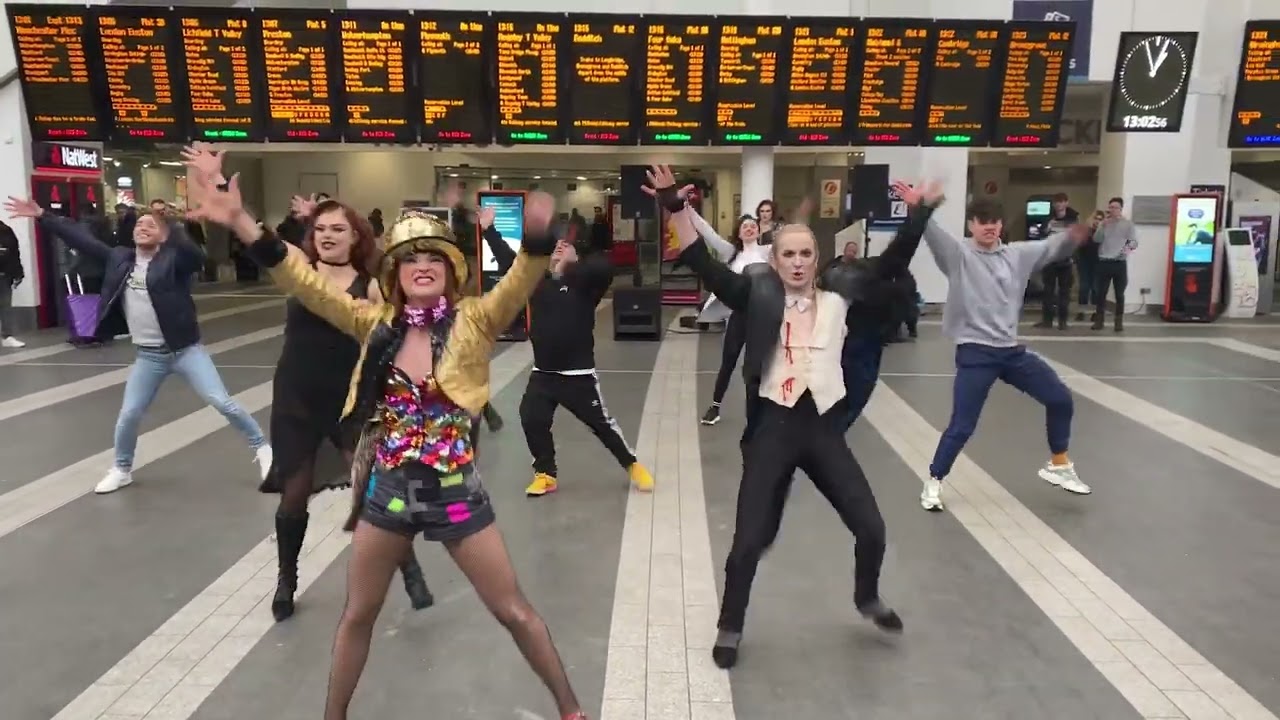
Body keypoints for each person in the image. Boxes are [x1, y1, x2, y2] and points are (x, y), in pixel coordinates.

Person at [183, 161, 587, 720]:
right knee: (357, 614)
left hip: (456, 494)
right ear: (394, 273)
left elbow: (522, 277)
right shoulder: (373, 323)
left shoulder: (476, 320)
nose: (422, 267)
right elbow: (299, 280)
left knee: (513, 610)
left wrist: (540, 236)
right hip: (388, 494)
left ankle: (571, 711)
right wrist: (243, 224)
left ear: (451, 270)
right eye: (411, 260)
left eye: (434, 259)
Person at [649, 164, 914, 669]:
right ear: (774, 259)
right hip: (773, 427)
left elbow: (892, 264)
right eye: (787, 254)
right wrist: (673, 205)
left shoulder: (840, 301)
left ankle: (867, 597)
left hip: (822, 428)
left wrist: (919, 214)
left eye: (805, 253)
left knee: (872, 528)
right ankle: (731, 624)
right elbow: (698, 259)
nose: (796, 262)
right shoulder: (757, 293)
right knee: (749, 540)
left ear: (817, 259)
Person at [4, 195, 272, 494]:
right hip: (149, 356)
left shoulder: (175, 261)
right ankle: (121, 468)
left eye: (152, 225)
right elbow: (82, 240)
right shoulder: (120, 258)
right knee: (129, 414)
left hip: (185, 351)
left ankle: (262, 449)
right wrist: (43, 215)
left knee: (222, 402)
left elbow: (194, 255)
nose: (143, 227)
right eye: (140, 224)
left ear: (163, 234)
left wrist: (176, 225)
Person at [918, 198, 1092, 513]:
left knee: (1060, 399)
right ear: (971, 224)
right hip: (975, 352)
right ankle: (934, 479)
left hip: (1010, 352)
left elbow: (1050, 247)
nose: (989, 226)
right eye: (982, 220)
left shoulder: (1017, 255)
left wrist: (1074, 235)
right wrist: (921, 208)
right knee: (962, 425)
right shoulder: (958, 256)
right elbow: (932, 233)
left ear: (1000, 225)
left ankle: (1059, 464)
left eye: (994, 220)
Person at [480, 207, 653, 496]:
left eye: (567, 245)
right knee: (531, 416)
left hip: (578, 376)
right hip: (543, 374)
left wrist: (570, 265)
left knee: (602, 425)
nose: (561, 247)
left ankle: (632, 465)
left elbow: (604, 268)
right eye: (557, 247)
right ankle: (546, 474)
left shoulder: (585, 284)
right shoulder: (537, 284)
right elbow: (510, 263)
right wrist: (488, 230)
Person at [694, 213, 770, 426]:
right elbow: (707, 231)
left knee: (759, 365)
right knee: (728, 361)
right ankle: (715, 406)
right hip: (739, 315)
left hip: (761, 317)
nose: (749, 228)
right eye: (744, 226)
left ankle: (761, 411)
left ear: (758, 230)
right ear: (738, 232)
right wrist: (685, 208)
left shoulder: (768, 252)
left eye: (752, 225)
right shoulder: (731, 253)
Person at [1093, 197, 1138, 332]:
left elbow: (1133, 242)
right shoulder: (1104, 224)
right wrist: (1101, 226)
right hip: (1104, 262)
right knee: (1101, 293)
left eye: (1115, 207)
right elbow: (1096, 239)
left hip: (1119, 263)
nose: (1112, 210)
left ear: (1120, 209)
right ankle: (1099, 321)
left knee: (1119, 294)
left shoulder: (1128, 224)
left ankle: (1118, 322)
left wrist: (1123, 254)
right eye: (1110, 207)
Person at [1035, 193, 1079, 330]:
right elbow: (1040, 234)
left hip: (1065, 259)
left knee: (1064, 291)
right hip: (1050, 259)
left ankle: (1062, 321)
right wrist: (1047, 228)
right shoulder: (1048, 217)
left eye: (1061, 202)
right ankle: (1047, 320)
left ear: (1066, 203)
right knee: (1048, 290)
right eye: (1056, 202)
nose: (1059, 205)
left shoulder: (1073, 218)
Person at [1074, 210, 1105, 322]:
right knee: (1084, 287)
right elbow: (1078, 245)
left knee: (1095, 288)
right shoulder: (1086, 231)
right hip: (1084, 262)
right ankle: (1081, 311)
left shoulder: (1103, 232)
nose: (1097, 221)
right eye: (1096, 218)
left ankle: (1094, 312)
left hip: (1098, 263)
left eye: (1100, 219)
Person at [0, 219, 25, 348]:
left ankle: (7, 336)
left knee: (5, 306)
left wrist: (18, 272)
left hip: (5, 274)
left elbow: (15, 253)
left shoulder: (6, 231)